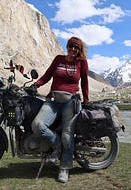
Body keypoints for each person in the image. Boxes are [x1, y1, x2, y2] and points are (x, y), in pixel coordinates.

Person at [31, 36, 89, 183]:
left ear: (79, 50)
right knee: (37, 125)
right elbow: (47, 75)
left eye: (76, 48)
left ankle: (64, 168)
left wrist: (86, 100)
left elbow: (85, 83)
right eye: (71, 46)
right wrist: (36, 84)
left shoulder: (82, 63)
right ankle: (56, 145)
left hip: (71, 101)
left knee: (67, 134)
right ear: (67, 46)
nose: (73, 49)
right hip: (53, 100)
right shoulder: (58, 59)